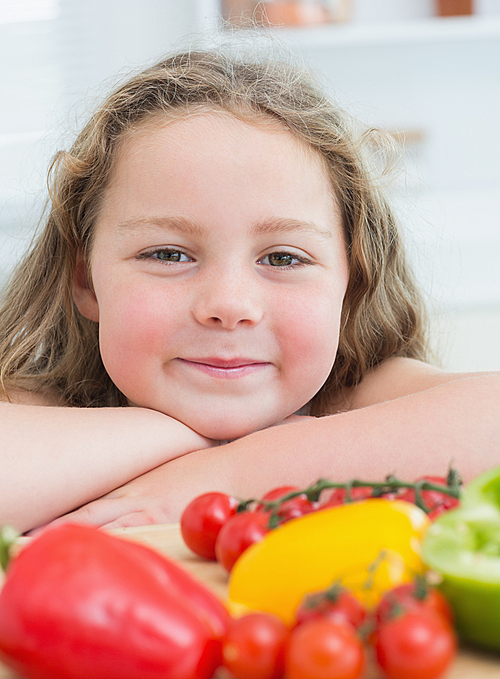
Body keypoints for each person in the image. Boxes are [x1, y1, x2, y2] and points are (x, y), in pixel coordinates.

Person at [0, 41, 498, 534]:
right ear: (86, 280)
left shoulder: (352, 396)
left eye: (283, 258)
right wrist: (185, 439)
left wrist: (235, 472)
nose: (228, 306)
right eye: (169, 255)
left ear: (350, 286)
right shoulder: (48, 405)